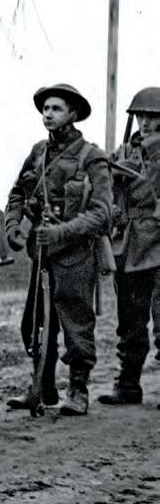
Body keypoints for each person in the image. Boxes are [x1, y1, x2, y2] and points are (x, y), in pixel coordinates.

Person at [5, 83, 112, 416]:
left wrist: (61, 232)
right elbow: (17, 194)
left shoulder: (91, 157)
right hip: (41, 255)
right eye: (46, 109)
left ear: (73, 114)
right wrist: (12, 226)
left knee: (76, 325)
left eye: (56, 109)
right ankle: (42, 387)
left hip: (76, 255)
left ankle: (78, 390)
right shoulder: (38, 152)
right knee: (35, 324)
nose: (48, 114)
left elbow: (101, 213)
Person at [99, 88, 160, 405]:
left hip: (159, 241)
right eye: (140, 116)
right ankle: (128, 383)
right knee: (130, 319)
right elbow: (102, 189)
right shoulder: (122, 152)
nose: (145, 122)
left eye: (152, 116)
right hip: (129, 243)